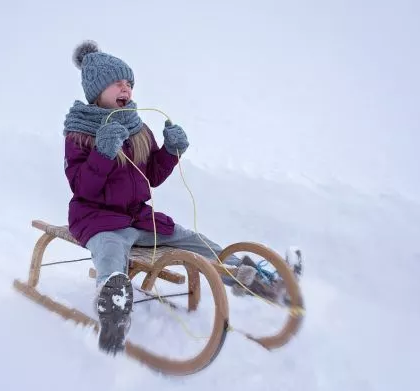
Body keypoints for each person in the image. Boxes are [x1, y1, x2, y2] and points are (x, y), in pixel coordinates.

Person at [61, 40, 301, 355]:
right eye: (118, 82)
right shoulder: (79, 134)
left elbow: (153, 178)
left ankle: (258, 281)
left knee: (195, 240)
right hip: (98, 220)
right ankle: (113, 310)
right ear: (97, 91)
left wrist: (171, 151)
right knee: (109, 249)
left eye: (129, 83)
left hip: (138, 217)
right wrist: (103, 153)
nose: (126, 87)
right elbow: (82, 188)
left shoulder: (138, 128)